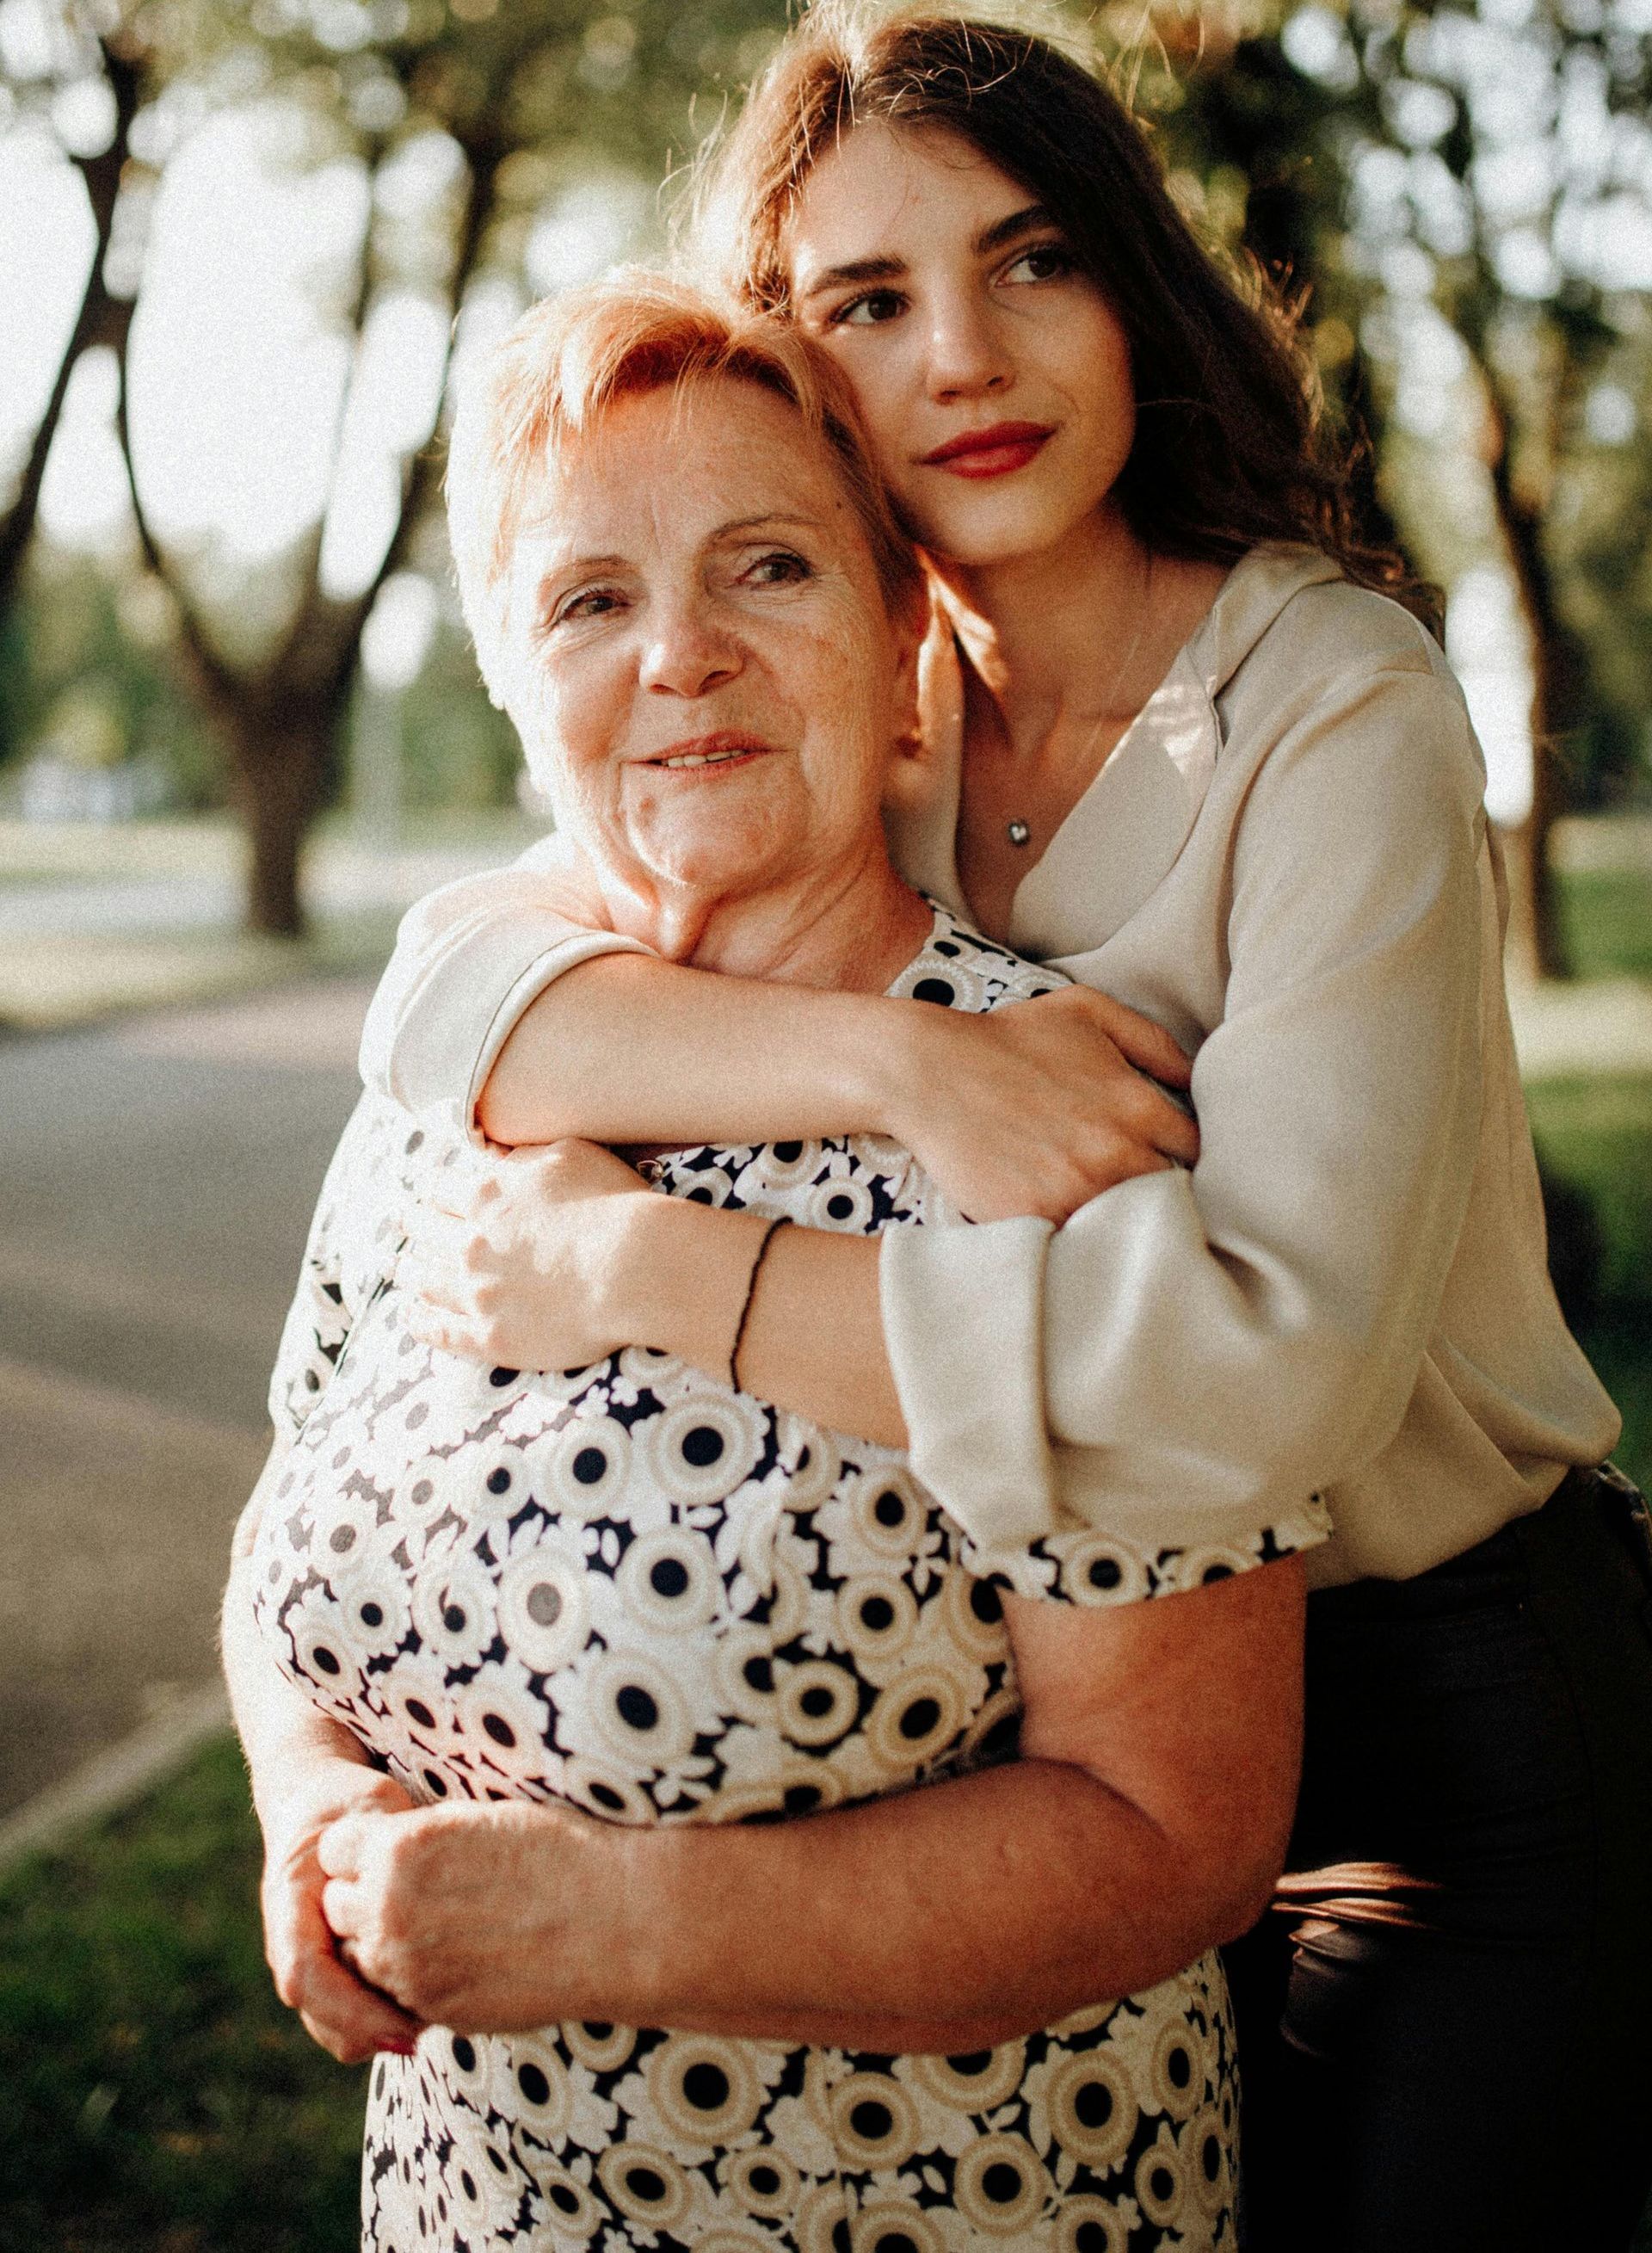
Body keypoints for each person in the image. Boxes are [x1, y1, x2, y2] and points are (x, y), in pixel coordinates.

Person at [354, 9, 1652, 2250]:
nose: (962, 351)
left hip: (1471, 1735)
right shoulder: (869, 697)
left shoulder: (1334, 705)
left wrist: (689, 1278)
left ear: (1131, 289)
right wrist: (895, 1065)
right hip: (1095, 1730)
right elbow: (453, 993)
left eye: (1029, 258)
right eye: (864, 300)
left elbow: (1275, 1370)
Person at [223, 277, 1315, 2253]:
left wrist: (595, 1921)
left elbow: (1182, 1832)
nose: (683, 658)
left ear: (906, 630)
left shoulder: (1046, 1123)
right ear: (504, 669)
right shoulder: (457, 1085)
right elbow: (279, 1535)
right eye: (588, 602)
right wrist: (307, 1812)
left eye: (768, 569)